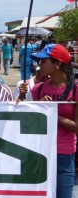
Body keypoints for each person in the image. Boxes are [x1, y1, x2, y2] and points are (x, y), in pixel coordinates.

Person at [30, 44, 76, 198]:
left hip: (64, 156)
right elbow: (33, 124)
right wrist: (37, 107)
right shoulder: (38, 89)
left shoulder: (75, 90)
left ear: (57, 64)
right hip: (39, 154)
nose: (39, 65)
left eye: (43, 61)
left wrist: (50, 111)